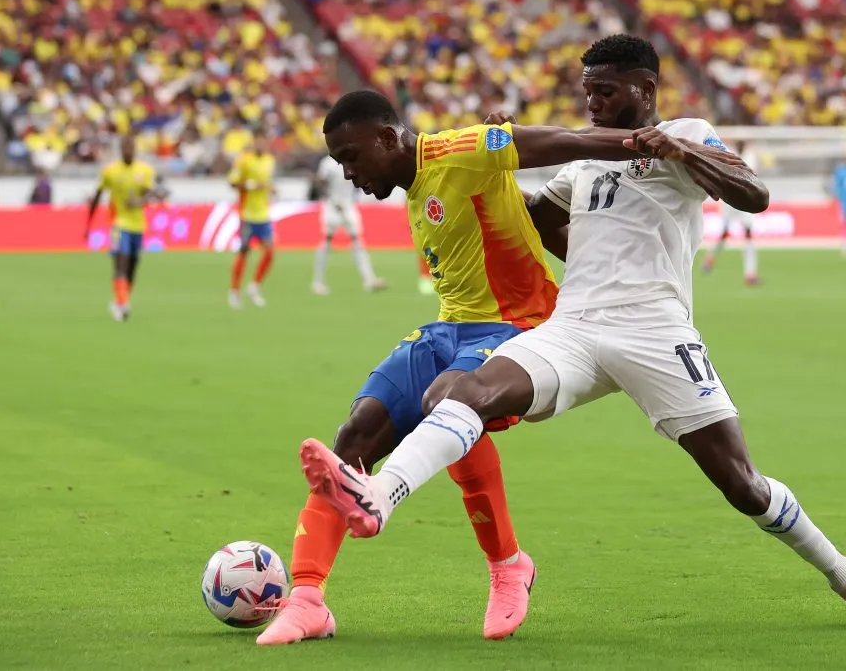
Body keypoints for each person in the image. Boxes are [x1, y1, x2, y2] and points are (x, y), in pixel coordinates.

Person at [303, 35, 846, 629]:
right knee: (462, 391)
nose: (592, 104)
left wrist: (685, 154)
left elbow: (754, 195)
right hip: (573, 325)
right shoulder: (594, 155)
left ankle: (844, 575)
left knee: (741, 484)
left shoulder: (685, 134)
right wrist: (493, 173)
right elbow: (537, 220)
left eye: (603, 92)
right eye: (587, 92)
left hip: (654, 327)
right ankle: (379, 495)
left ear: (644, 88)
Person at [256, 88, 659, 646]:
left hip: (519, 326)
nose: (347, 173)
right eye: (338, 162)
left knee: (449, 399)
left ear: (387, 137)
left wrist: (649, 143)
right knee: (353, 436)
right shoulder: (415, 186)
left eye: (351, 156)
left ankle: (507, 564)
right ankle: (307, 600)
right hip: (450, 329)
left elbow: (565, 142)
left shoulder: (462, 148)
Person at [84, 135, 155, 322]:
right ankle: (122, 304)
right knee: (121, 264)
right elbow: (98, 195)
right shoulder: (111, 171)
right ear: (120, 149)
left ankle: (122, 301)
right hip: (119, 223)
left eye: (131, 147)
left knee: (132, 266)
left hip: (138, 225)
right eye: (125, 147)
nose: (128, 151)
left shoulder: (144, 170)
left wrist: (139, 201)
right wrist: (88, 224)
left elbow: (148, 194)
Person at [311, 152, 386, 295]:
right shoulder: (327, 163)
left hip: (348, 205)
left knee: (357, 239)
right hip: (331, 205)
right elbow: (320, 182)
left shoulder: (352, 160)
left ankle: (369, 280)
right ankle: (318, 282)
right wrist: (331, 199)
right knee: (327, 239)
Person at [228, 136, 276, 309]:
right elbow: (232, 182)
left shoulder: (270, 160)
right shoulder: (244, 161)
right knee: (244, 252)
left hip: (263, 214)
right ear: (254, 143)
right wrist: (251, 185)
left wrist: (271, 188)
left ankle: (254, 286)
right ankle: (234, 291)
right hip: (247, 214)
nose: (262, 146)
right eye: (259, 142)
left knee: (270, 252)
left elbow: (267, 182)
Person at [701, 140, 759, 284]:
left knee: (748, 234)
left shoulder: (750, 156)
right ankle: (710, 257)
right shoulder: (729, 153)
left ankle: (750, 273)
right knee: (725, 234)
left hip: (745, 200)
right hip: (730, 201)